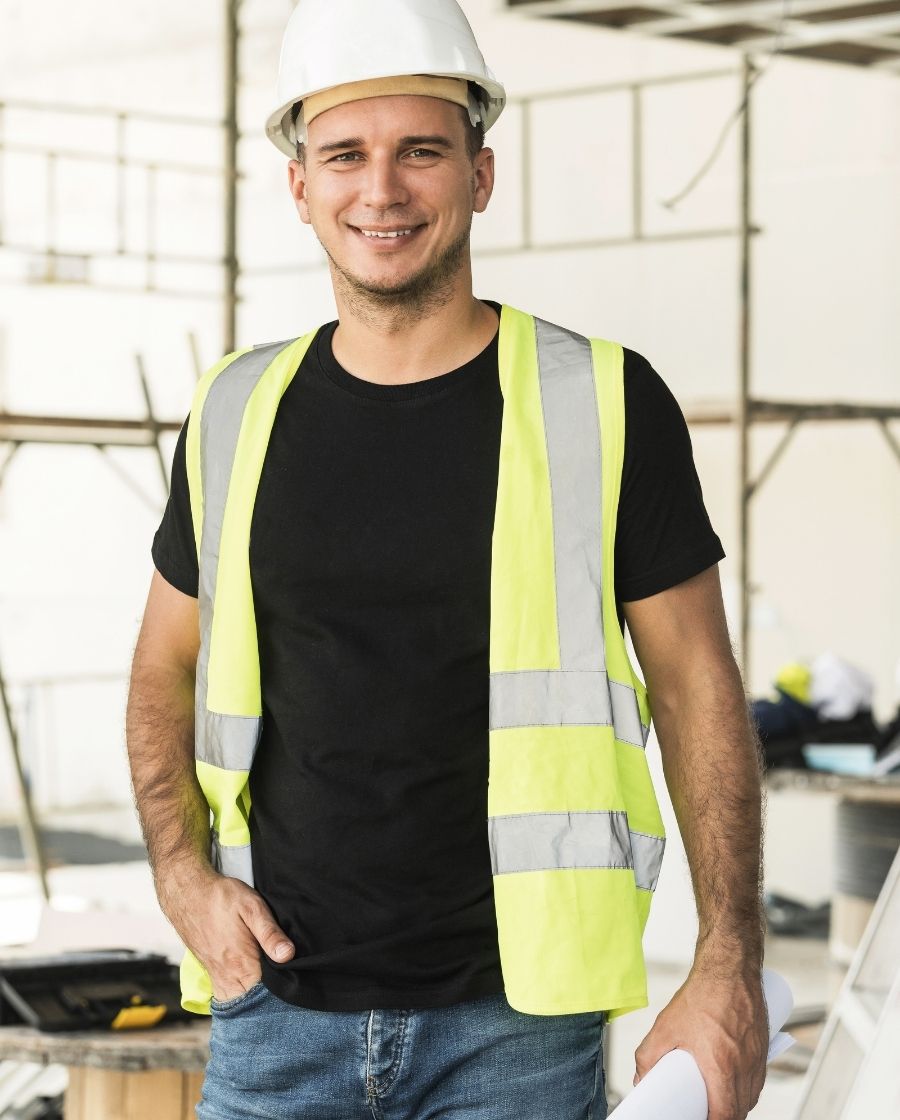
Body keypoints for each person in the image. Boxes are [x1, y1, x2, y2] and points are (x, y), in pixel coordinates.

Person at [125, 1, 769, 1117]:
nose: (381, 190)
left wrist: (728, 960)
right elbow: (160, 670)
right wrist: (182, 879)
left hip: (515, 1033)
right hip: (273, 1017)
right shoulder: (232, 409)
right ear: (300, 186)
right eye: (345, 155)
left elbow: (698, 689)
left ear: (480, 174)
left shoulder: (605, 402)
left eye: (419, 151)